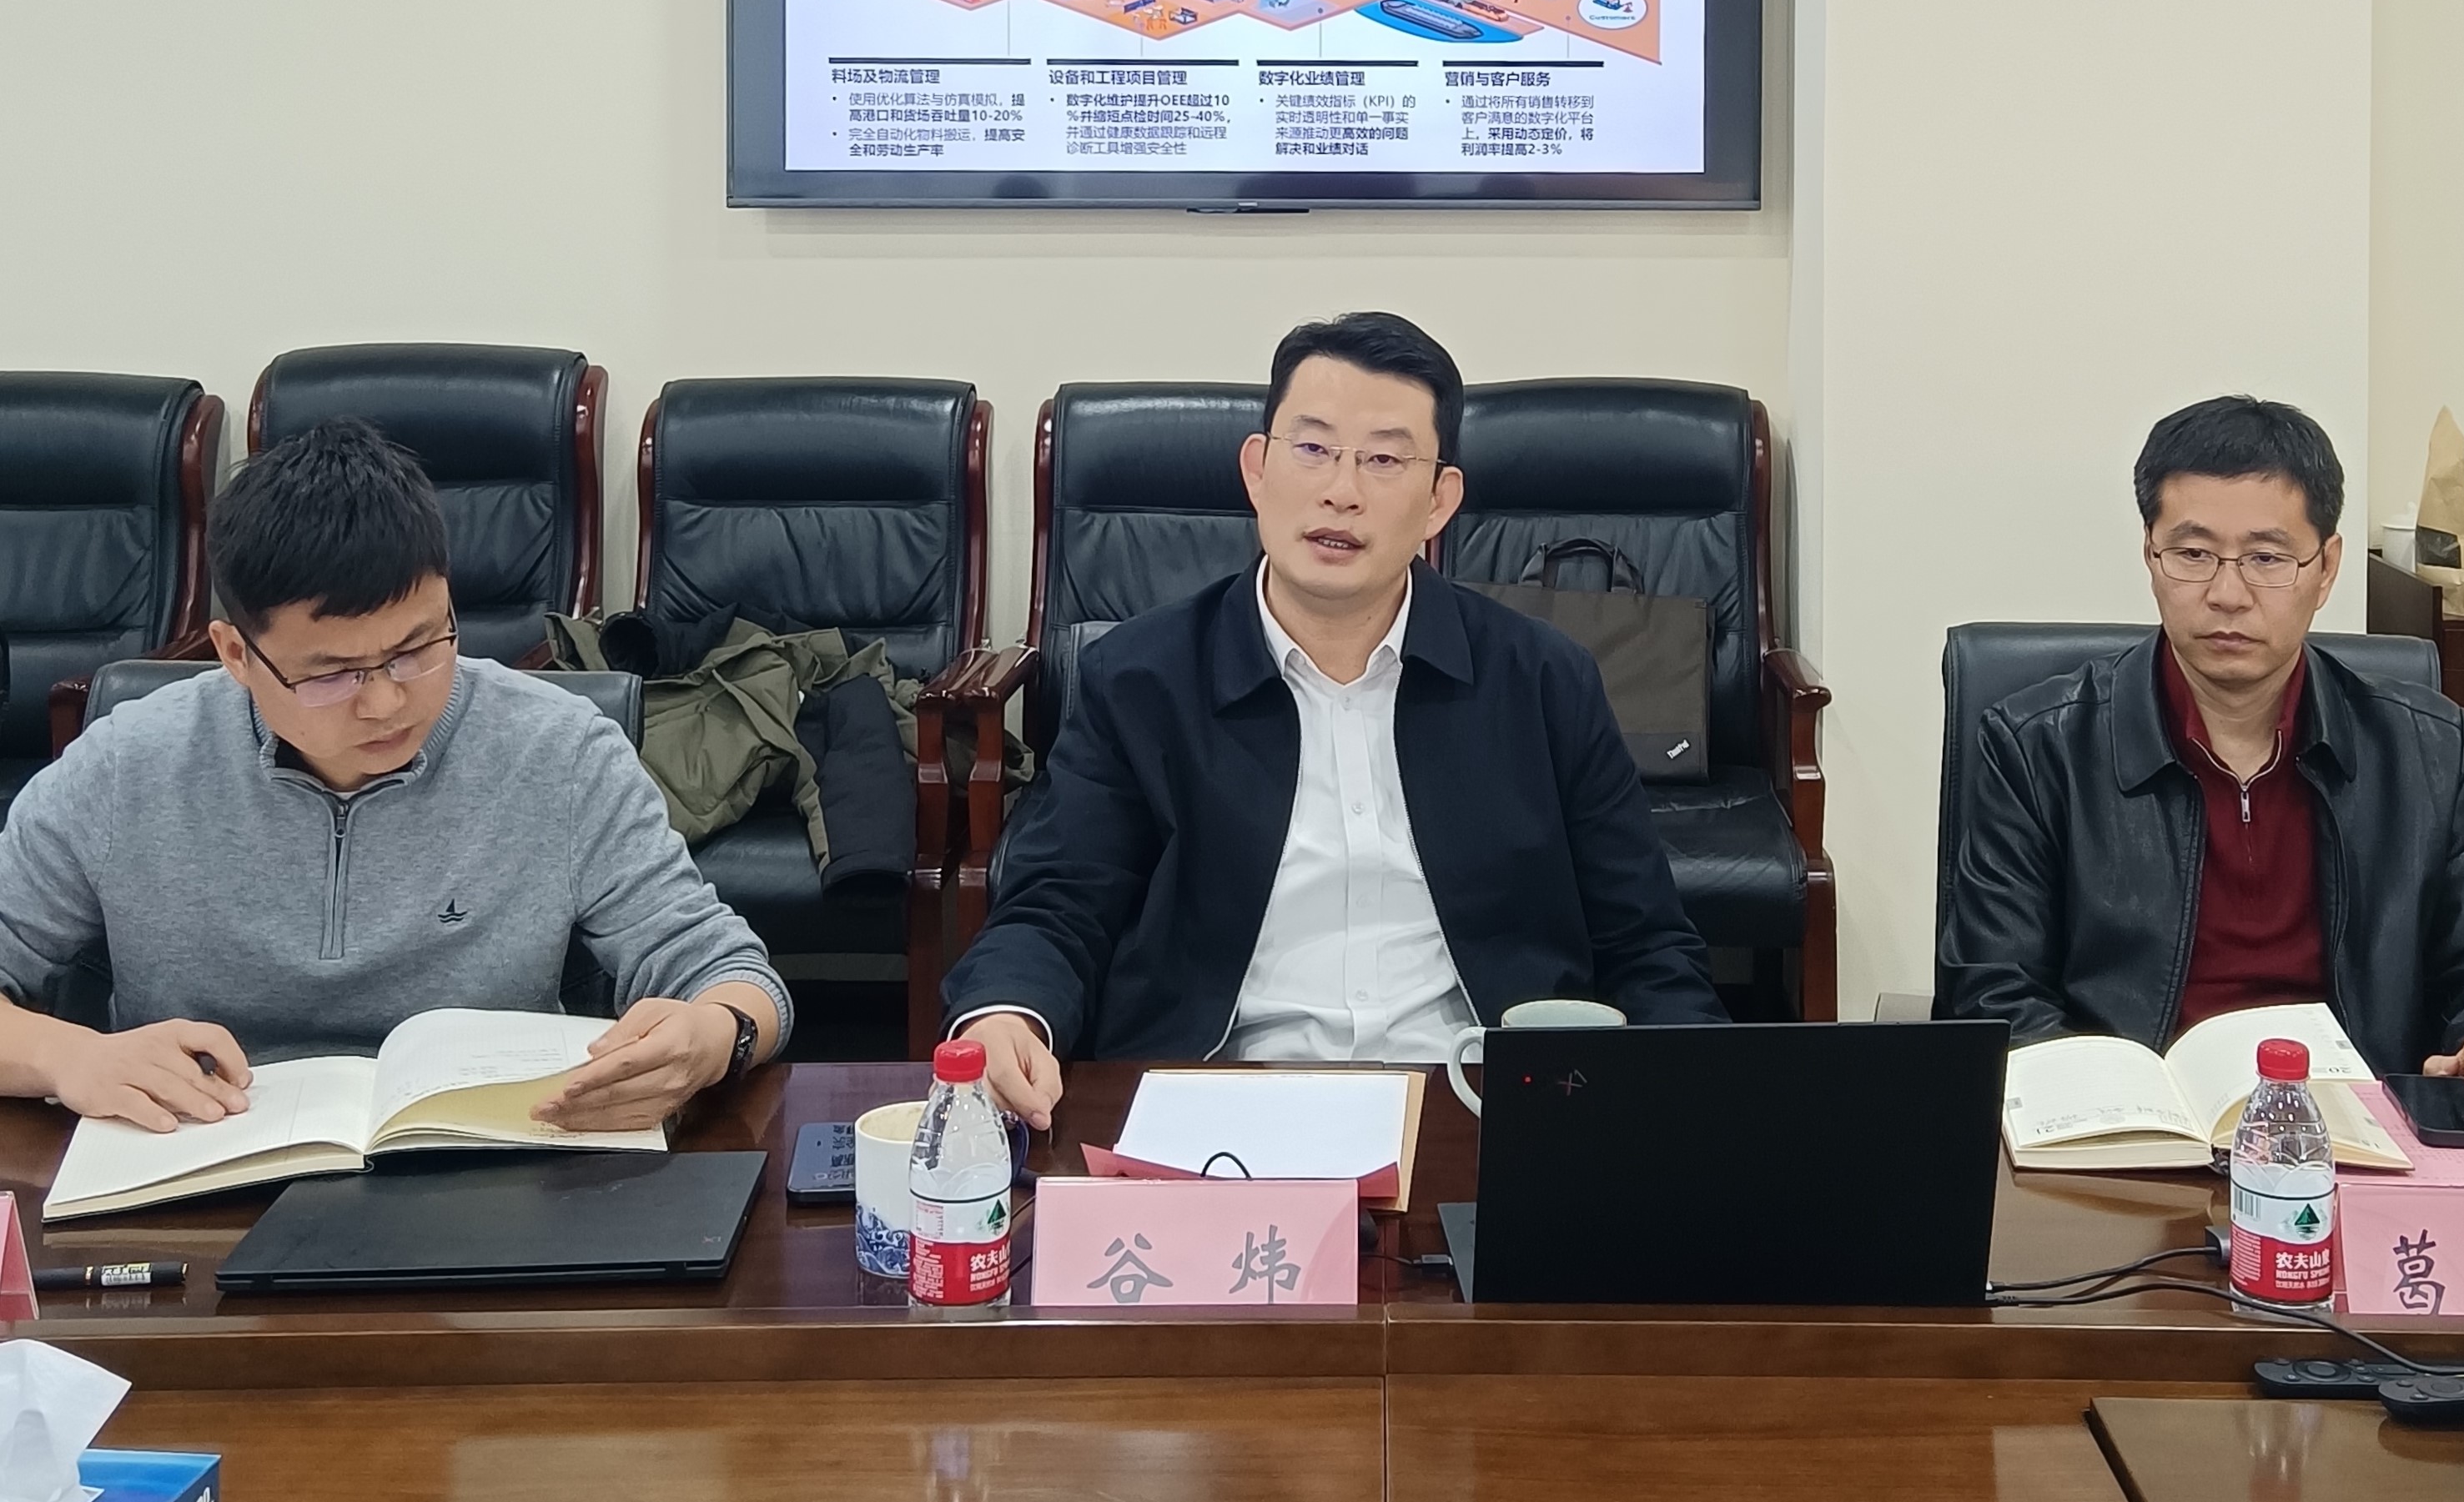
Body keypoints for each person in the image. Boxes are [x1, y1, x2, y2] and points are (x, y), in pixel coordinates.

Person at [948, 311, 1723, 1123]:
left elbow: (1645, 942)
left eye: (1384, 459)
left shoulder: (1542, 679)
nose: (1341, 490)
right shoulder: (1140, 679)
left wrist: (1702, 1106)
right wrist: (1007, 1013)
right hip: (1218, 1102)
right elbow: (1058, 904)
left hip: (1481, 1104)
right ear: (1256, 469)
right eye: (1312, 447)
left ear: (1439, 500)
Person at [0, 418, 789, 1134]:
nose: (384, 703)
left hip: (483, 1170)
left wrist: (713, 1035)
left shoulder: (562, 752)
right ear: (236, 654)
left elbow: (731, 975)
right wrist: (68, 1056)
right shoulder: (124, 767)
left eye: (417, 649)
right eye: (331, 674)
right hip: (197, 1169)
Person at [1942, 394, 2464, 1093]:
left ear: (2325, 568)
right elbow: (1992, 995)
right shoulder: (2038, 749)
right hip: (2131, 1129)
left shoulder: (2425, 749)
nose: (2227, 593)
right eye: (2192, 553)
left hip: (2356, 1126)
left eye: (2266, 557)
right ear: (2150, 556)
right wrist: (2115, 1106)